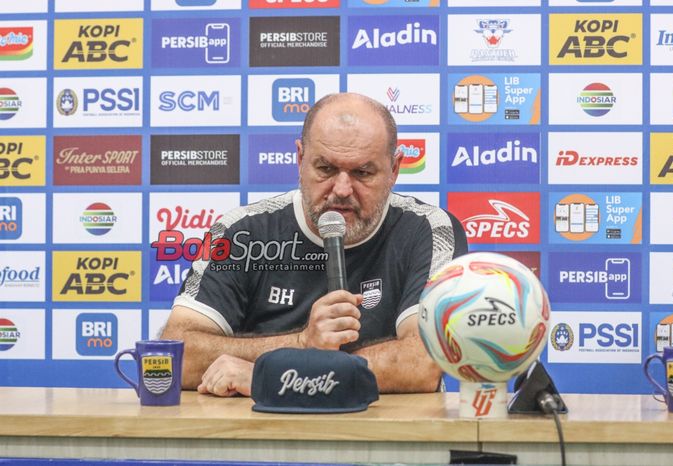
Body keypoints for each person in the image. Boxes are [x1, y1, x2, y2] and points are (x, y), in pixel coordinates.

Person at [160, 92, 468, 397]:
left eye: (363, 172)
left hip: (383, 438)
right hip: (265, 437)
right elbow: (174, 356)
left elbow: (423, 362)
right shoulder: (240, 231)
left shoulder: (430, 229)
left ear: (395, 169)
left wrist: (276, 375)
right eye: (326, 169)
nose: (342, 189)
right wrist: (302, 344)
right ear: (299, 159)